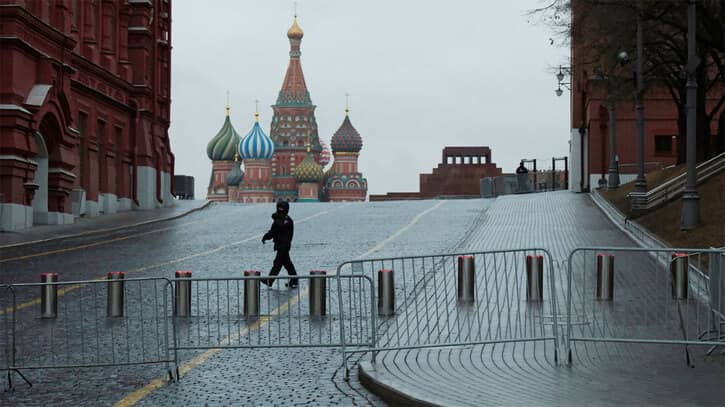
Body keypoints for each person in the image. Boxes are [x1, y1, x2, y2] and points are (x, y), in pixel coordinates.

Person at [261, 201, 299, 288]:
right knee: (287, 264)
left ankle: (269, 281)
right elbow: (273, 231)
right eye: (279, 208)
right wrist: (266, 236)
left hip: (284, 246)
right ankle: (294, 280)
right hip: (280, 245)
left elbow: (280, 226)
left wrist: (276, 219)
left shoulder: (287, 220)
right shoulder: (279, 220)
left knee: (277, 263)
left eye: (281, 209)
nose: (280, 210)